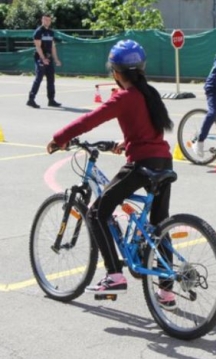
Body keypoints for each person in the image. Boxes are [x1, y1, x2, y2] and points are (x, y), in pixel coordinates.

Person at [46, 39, 178, 310]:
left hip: (141, 165)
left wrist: (59, 138)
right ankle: (167, 292)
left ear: (116, 72)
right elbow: (149, 132)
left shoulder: (124, 96)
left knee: (96, 212)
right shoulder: (148, 93)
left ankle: (114, 275)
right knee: (158, 225)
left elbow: (89, 120)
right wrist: (125, 144)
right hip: (164, 162)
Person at [27, 13, 62, 109]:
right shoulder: (38, 32)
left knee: (51, 79)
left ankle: (51, 100)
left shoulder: (51, 32)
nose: (47, 21)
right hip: (40, 58)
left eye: (49, 20)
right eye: (45, 19)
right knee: (38, 79)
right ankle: (31, 99)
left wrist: (56, 59)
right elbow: (38, 46)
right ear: (42, 20)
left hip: (49, 58)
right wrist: (43, 59)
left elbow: (53, 47)